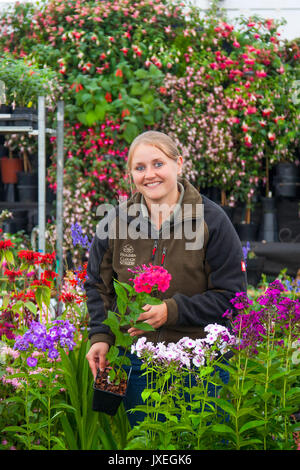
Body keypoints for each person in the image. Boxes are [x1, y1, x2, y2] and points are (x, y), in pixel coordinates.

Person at [85, 130, 247, 426]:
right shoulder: (116, 222)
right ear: (131, 173)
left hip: (200, 364)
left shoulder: (211, 220)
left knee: (201, 441)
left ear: (179, 164)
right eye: (140, 167)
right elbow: (98, 285)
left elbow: (232, 296)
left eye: (158, 164)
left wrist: (171, 311)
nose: (150, 175)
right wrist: (101, 336)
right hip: (137, 363)